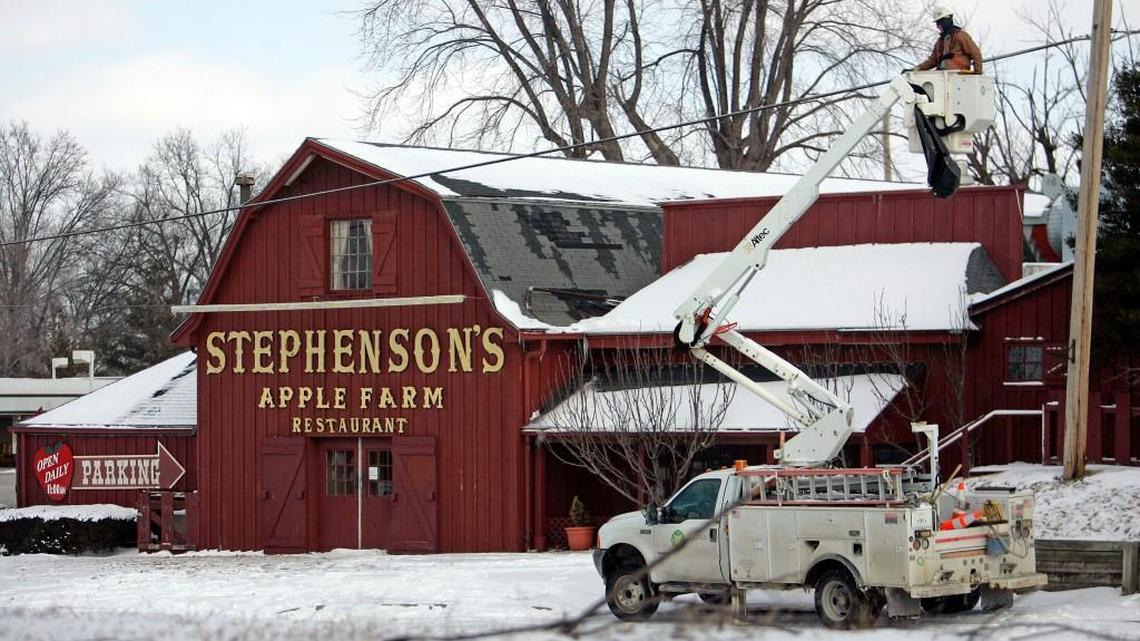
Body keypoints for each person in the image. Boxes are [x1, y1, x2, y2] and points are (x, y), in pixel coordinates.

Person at [915, 7, 983, 74]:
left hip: (959, 76)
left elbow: (975, 53)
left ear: (946, 21)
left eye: (940, 22)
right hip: (942, 77)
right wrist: (917, 69)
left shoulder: (960, 35)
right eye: (937, 23)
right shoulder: (939, 42)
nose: (938, 26)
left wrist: (977, 73)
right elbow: (932, 60)